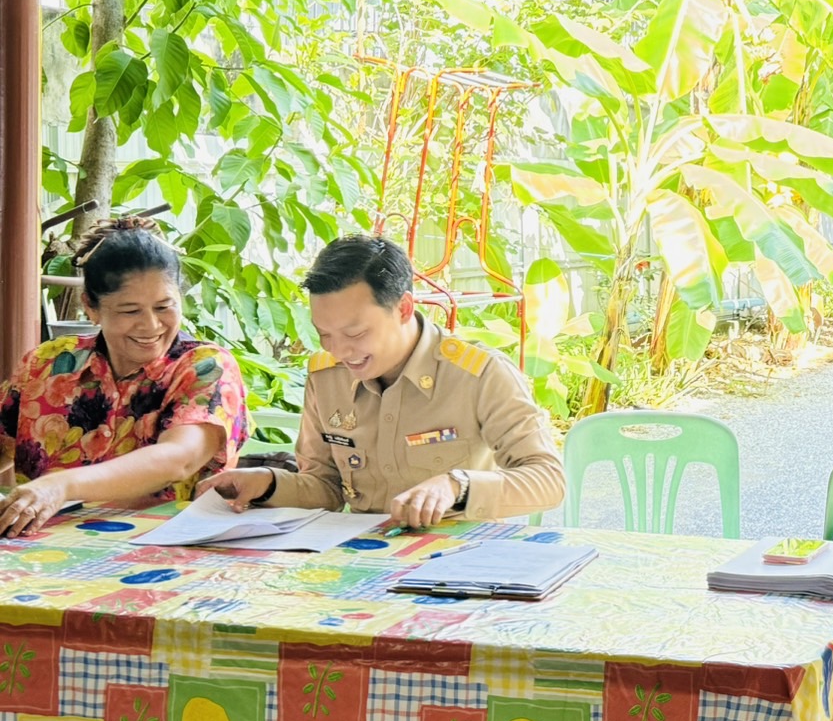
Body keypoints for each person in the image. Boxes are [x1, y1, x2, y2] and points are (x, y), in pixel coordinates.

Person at [199, 235, 563, 527]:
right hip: (363, 560)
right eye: (324, 333)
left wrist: (457, 486)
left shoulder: (479, 374)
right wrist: (266, 482)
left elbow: (548, 480)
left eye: (355, 333)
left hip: (461, 563)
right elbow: (325, 487)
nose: (340, 350)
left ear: (403, 308)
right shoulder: (326, 377)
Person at [0, 217, 250, 537]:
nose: (150, 326)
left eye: (164, 307)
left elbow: (179, 459)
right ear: (90, 306)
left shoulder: (205, 366)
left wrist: (60, 485)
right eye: (130, 311)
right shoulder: (46, 363)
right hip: (39, 558)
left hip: (168, 561)